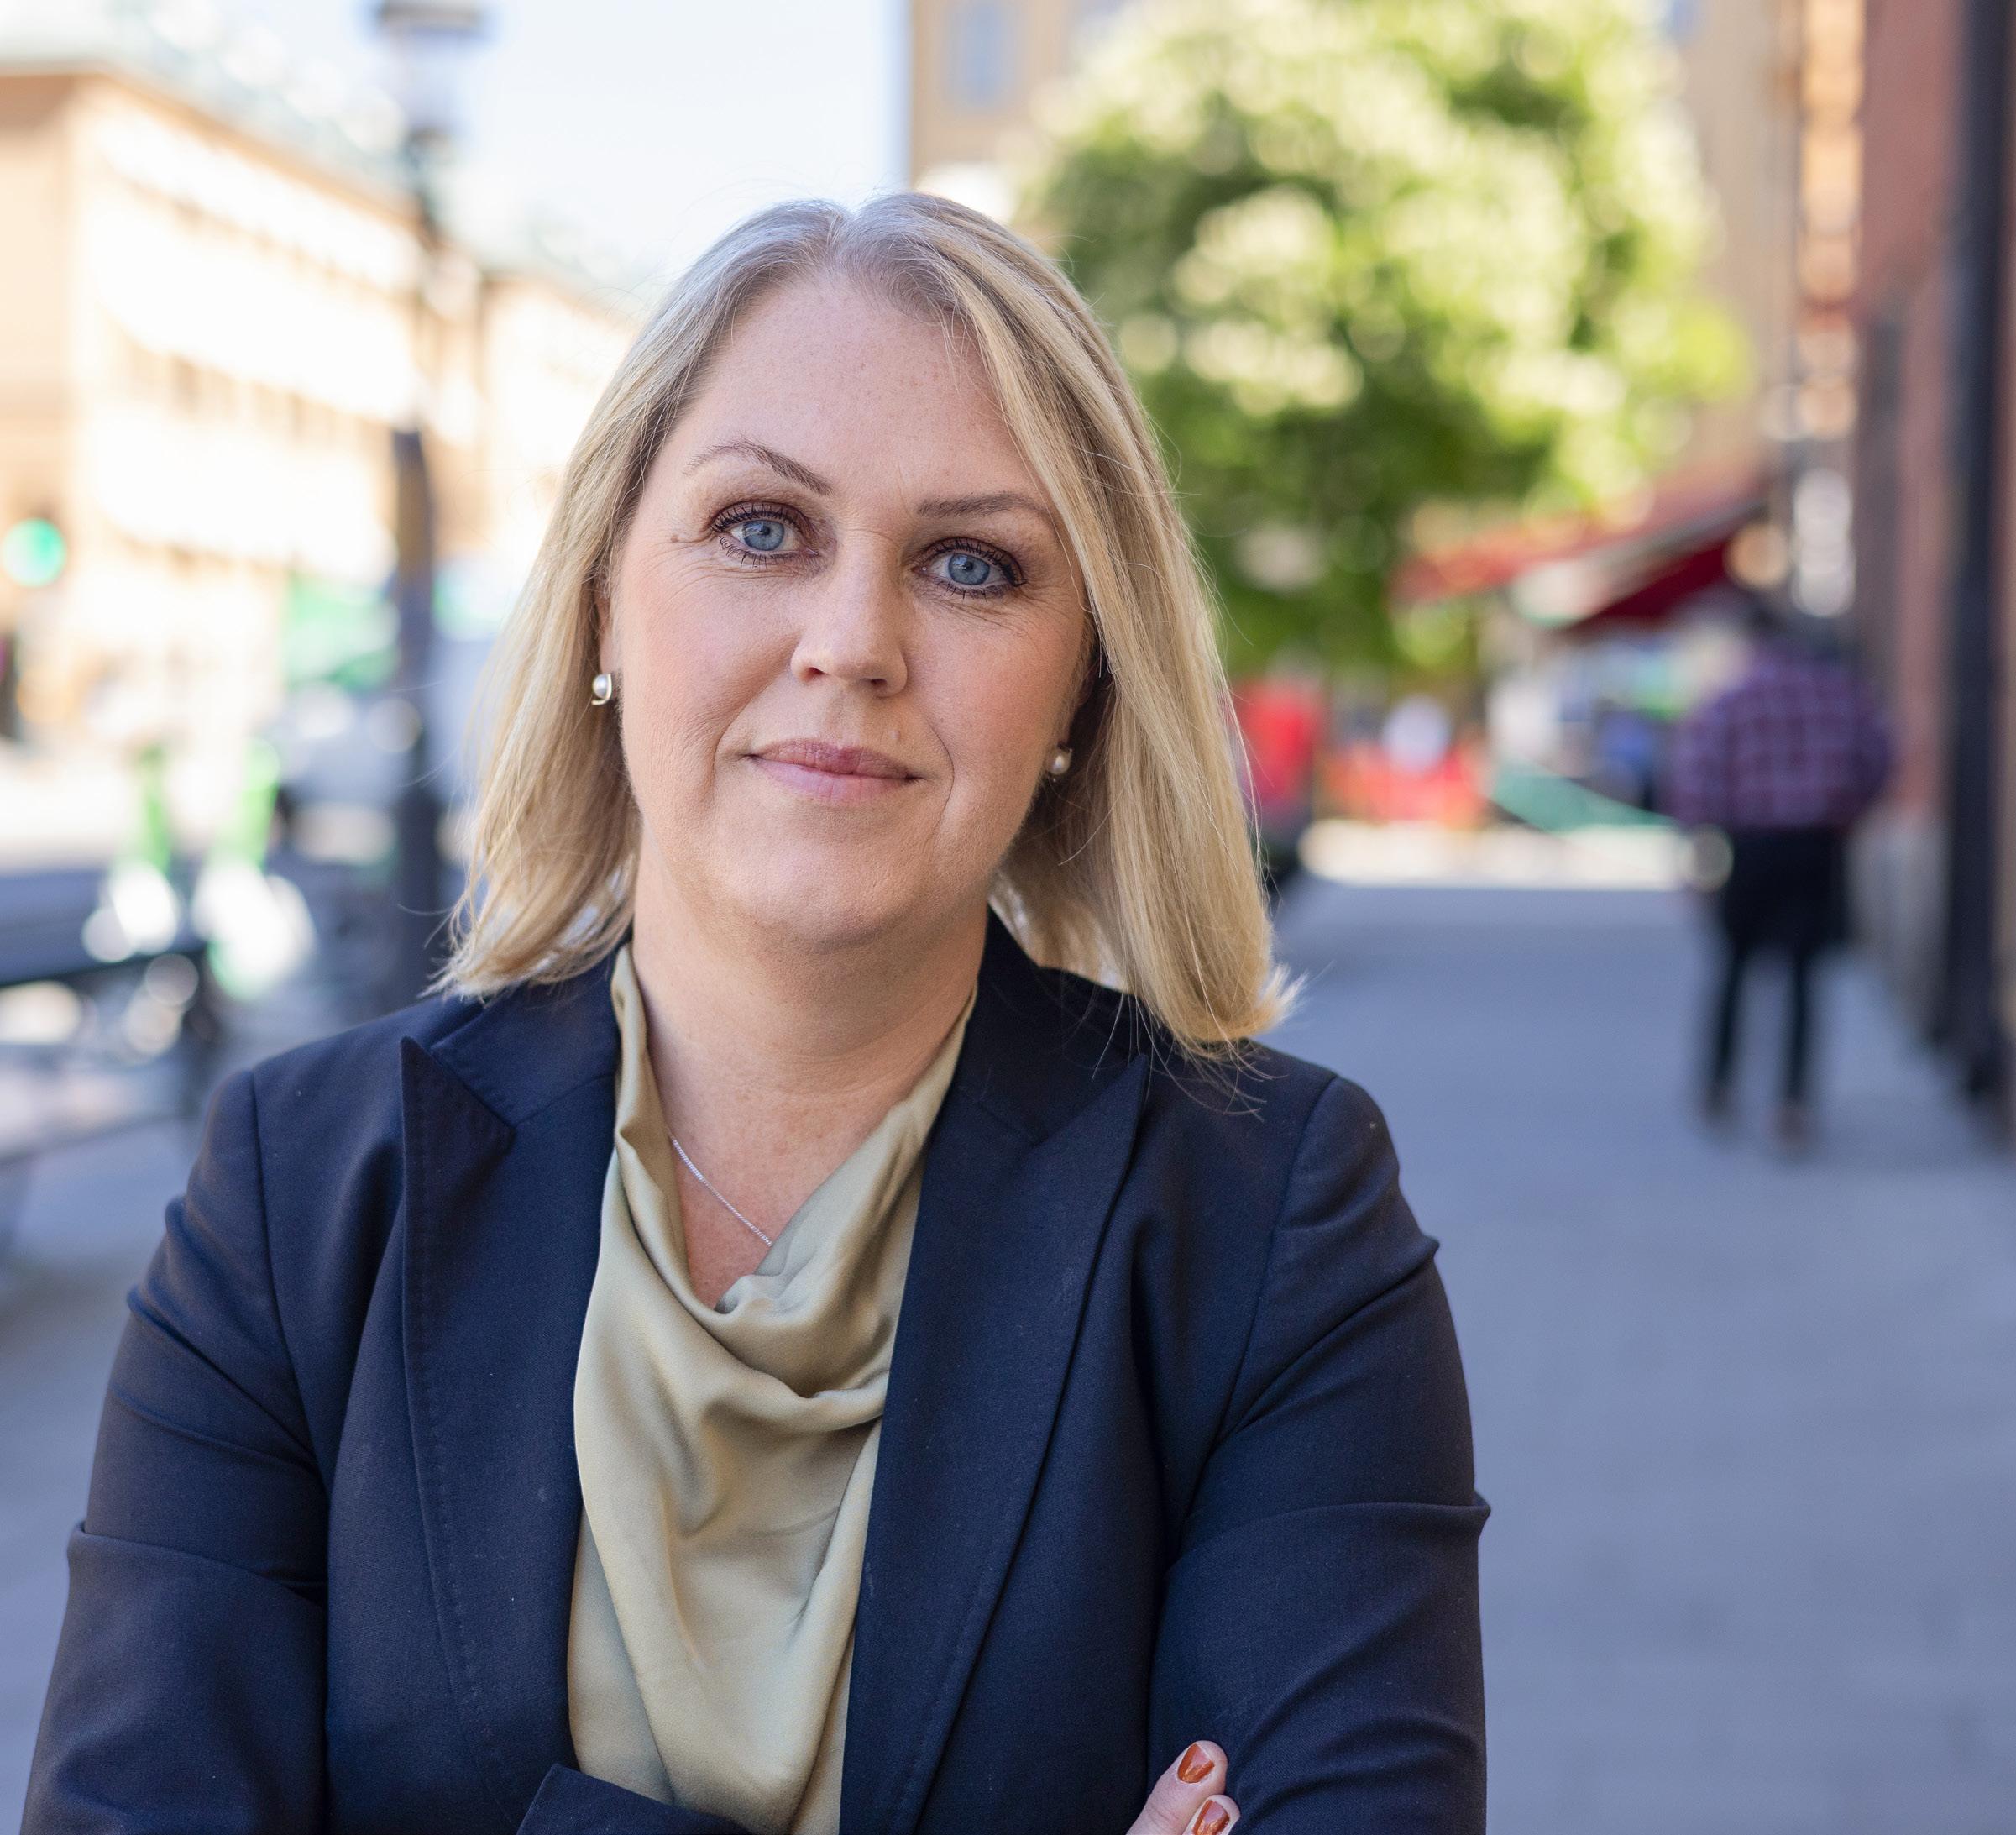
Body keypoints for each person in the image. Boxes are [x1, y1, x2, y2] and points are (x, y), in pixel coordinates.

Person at [24, 195, 1486, 1834]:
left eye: (970, 564)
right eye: (761, 529)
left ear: (1086, 678)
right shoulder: (301, 1187)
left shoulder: (1273, 1217)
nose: (851, 643)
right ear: (600, 595)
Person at [1665, 592, 1893, 1148]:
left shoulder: (1733, 697)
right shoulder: (1838, 693)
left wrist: (1699, 845)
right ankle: (1792, 1104)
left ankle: (1719, 1085)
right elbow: (1879, 754)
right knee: (1802, 977)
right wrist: (1847, 810)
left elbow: (1696, 775)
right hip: (1815, 845)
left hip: (1751, 846)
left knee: (1733, 968)